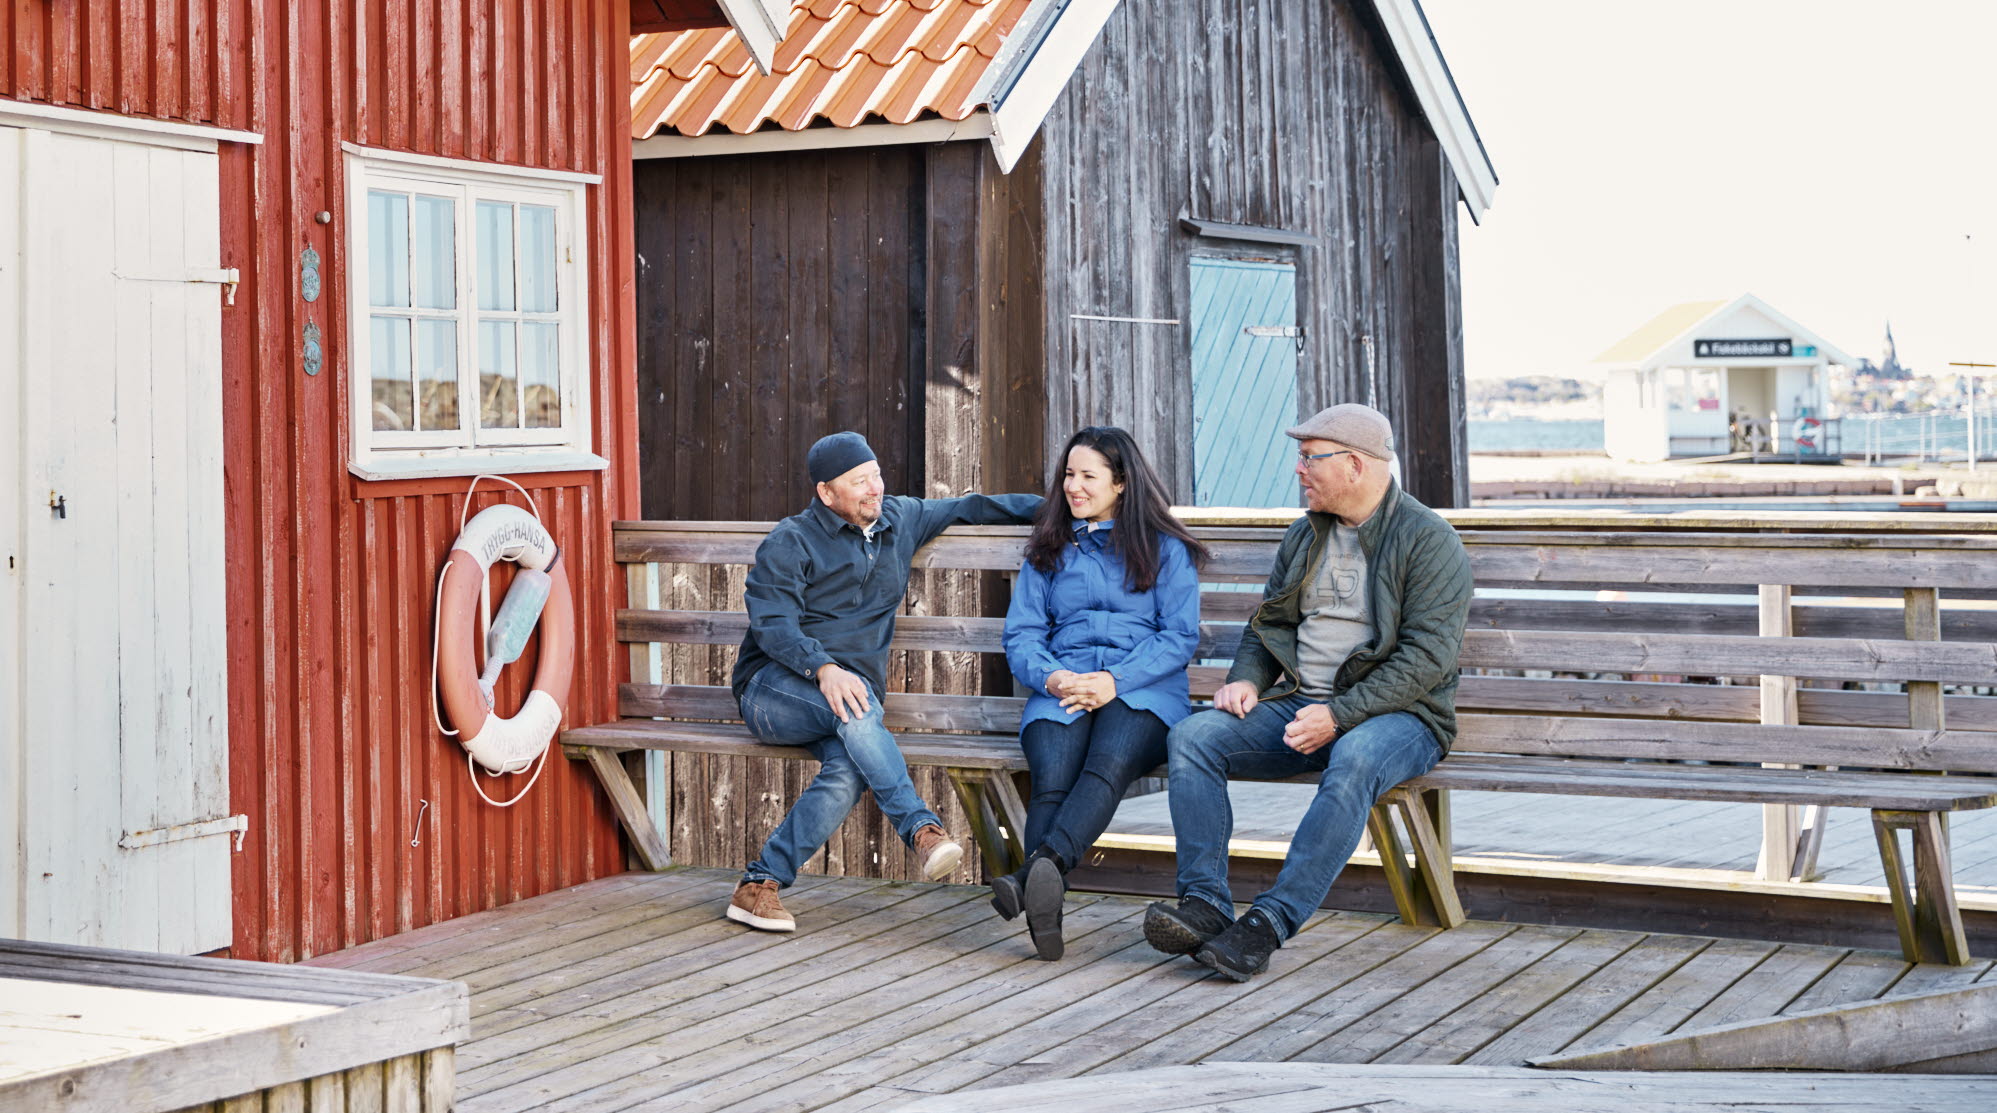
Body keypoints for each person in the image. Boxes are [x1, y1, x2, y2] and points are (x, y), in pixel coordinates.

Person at [1144, 403, 1471, 981]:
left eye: (1308, 458)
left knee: (1355, 759)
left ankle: (1268, 923)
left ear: (1354, 465)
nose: (1298, 469)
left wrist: (1339, 716)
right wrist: (1245, 679)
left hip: (1401, 717)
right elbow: (1269, 625)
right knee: (1194, 737)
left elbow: (1427, 659)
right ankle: (1205, 903)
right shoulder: (1305, 535)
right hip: (1300, 705)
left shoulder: (1428, 540)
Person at [726, 432, 1041, 933]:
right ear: (826, 493)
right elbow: (773, 624)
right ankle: (922, 831)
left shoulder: (898, 518)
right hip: (772, 691)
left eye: (875, 474)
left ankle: (759, 885)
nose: (874, 488)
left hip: (852, 704)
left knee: (849, 770)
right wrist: (823, 668)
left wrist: (1063, 512)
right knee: (856, 706)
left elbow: (971, 507)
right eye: (859, 482)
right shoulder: (793, 539)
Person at [994, 427, 1208, 960]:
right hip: (1064, 684)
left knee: (1107, 763)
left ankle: (1030, 878)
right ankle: (1045, 907)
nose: (1074, 485)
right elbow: (1022, 633)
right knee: (1052, 778)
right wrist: (1052, 678)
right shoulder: (1048, 548)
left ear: (1122, 483)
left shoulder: (1165, 548)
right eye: (1069, 474)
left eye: (1088, 475)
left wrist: (1115, 681)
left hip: (1143, 692)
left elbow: (1178, 636)